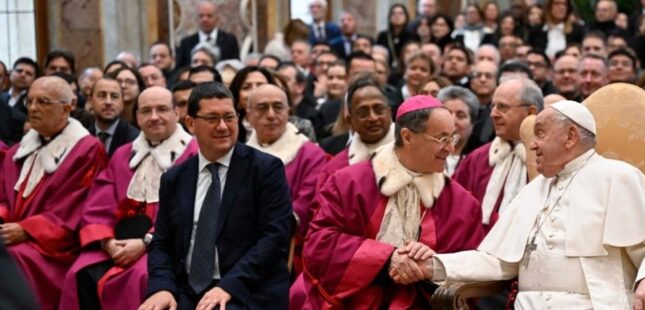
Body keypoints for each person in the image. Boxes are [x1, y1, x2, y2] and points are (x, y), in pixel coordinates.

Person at [412, 100, 645, 308]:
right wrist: (432, 265)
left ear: (570, 137)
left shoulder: (618, 177)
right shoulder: (534, 190)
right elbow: (496, 261)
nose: (532, 146)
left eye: (540, 133)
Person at [291, 95, 485, 309]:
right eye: (442, 139)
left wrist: (433, 265)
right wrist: (386, 258)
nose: (450, 149)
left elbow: (472, 270)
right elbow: (320, 244)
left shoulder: (462, 204)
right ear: (408, 137)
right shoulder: (348, 183)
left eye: (452, 138)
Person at [140, 82, 292, 309]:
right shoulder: (175, 178)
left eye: (229, 117)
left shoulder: (265, 169)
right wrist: (162, 287)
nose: (223, 127)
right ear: (191, 123)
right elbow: (162, 243)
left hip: (247, 288)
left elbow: (274, 239)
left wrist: (228, 286)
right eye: (212, 119)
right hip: (187, 289)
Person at [59, 87, 197, 310]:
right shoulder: (123, 154)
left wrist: (145, 243)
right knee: (78, 272)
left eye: (162, 109)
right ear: (137, 117)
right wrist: (107, 242)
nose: (154, 117)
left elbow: (187, 212)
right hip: (117, 242)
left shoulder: (193, 154)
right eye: (146, 111)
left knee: (141, 277)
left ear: (177, 113)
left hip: (167, 246)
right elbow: (99, 204)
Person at [0, 77, 106, 309]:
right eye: (30, 101)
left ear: (67, 108)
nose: (34, 108)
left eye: (44, 102)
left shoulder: (86, 150)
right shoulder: (19, 151)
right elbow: (6, 198)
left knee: (12, 259)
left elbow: (72, 213)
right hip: (17, 237)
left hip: (56, 250)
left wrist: (26, 230)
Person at [244, 84, 327, 273]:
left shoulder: (310, 154)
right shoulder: (239, 156)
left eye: (278, 107)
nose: (271, 114)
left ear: (289, 111)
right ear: (248, 116)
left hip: (289, 253)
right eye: (262, 108)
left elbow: (305, 207)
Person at [454, 78, 542, 229]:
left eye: (502, 107)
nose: (493, 114)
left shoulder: (550, 161)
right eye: (493, 106)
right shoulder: (475, 160)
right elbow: (454, 212)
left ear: (531, 112)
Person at [175, 1, 239, 69]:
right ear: (197, 19)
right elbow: (180, 69)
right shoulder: (186, 43)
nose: (204, 19)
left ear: (217, 19)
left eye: (209, 16)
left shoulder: (229, 40)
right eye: (201, 16)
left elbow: (236, 66)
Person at [86, 77, 140, 158]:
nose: (108, 102)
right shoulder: (83, 136)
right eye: (102, 95)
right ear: (90, 101)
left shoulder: (135, 139)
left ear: (122, 102)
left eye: (114, 96)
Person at [437, 86, 479, 175]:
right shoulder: (423, 157)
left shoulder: (478, 164)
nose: (452, 121)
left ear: (472, 124)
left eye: (460, 116)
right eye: (447, 113)